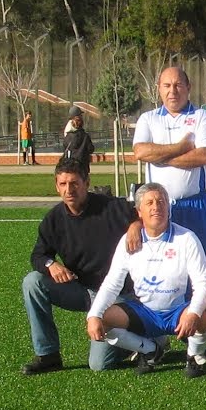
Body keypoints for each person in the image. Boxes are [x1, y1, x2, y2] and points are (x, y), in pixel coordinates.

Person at [86, 182, 206, 378]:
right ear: (139, 211)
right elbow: (112, 282)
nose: (157, 207)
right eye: (150, 203)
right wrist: (93, 315)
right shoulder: (128, 241)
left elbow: (203, 283)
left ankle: (193, 357)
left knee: (203, 318)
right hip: (144, 312)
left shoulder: (186, 238)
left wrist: (193, 313)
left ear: (168, 207)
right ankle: (149, 350)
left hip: (177, 311)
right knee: (103, 319)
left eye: (161, 201)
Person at [20, 159, 138, 375]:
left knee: (99, 364)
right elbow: (38, 255)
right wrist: (51, 264)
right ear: (56, 186)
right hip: (82, 291)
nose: (69, 190)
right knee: (33, 282)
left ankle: (142, 339)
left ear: (87, 183)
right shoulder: (54, 219)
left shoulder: (111, 208)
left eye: (74, 183)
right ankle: (48, 355)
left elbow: (143, 213)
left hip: (117, 294)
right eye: (63, 184)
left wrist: (136, 224)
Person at [133, 66, 206, 262]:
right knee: (162, 264)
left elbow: (205, 155)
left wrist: (160, 157)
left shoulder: (202, 116)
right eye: (167, 85)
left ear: (188, 87)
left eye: (178, 85)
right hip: (159, 206)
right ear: (159, 88)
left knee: (203, 265)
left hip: (195, 204)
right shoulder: (148, 118)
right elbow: (140, 152)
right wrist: (182, 147)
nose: (172, 91)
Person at [61, 105, 93, 178]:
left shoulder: (68, 134)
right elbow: (90, 149)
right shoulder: (85, 136)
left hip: (72, 165)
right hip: (83, 165)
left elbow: (65, 146)